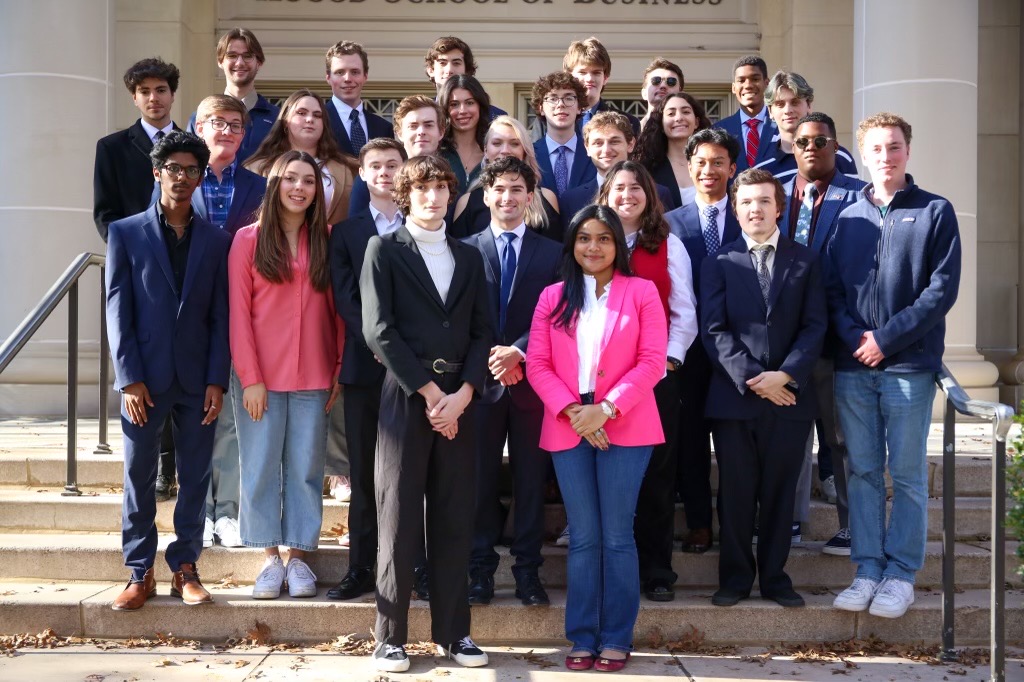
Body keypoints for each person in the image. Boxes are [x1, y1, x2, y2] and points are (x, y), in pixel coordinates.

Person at [360, 155, 491, 673]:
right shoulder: (382, 250)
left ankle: (455, 634)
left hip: (459, 399)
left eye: (442, 188)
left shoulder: (470, 255)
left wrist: (463, 394)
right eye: (424, 189)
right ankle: (389, 636)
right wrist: (431, 392)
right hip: (407, 397)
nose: (433, 198)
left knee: (455, 515)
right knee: (396, 517)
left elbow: (484, 331)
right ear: (406, 195)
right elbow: (378, 330)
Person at [829, 113, 961, 619]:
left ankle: (901, 574)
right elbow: (832, 289)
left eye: (895, 146)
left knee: (904, 474)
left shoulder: (934, 211)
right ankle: (866, 569)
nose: (886, 155)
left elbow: (940, 291)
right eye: (877, 148)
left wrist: (885, 340)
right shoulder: (848, 216)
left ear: (908, 150)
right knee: (862, 471)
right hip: (853, 366)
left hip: (908, 367)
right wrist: (857, 339)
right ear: (864, 154)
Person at [527, 205, 667, 672]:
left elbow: (652, 360)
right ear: (572, 244)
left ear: (617, 245)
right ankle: (582, 637)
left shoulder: (642, 292)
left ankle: (616, 637)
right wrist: (574, 412)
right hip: (568, 421)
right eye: (584, 238)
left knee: (617, 534)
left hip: (625, 419)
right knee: (584, 536)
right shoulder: (552, 297)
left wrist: (605, 410)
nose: (593, 246)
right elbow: (539, 364)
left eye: (604, 238)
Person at [106, 130, 230, 611]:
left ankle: (185, 568)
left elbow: (221, 316)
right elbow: (118, 310)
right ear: (157, 173)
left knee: (195, 477)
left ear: (201, 178)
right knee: (139, 476)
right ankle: (140, 572)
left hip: (198, 380)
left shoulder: (216, 241)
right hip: (144, 380)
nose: (182, 177)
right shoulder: (125, 232)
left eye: (191, 170)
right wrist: (128, 377)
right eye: (173, 169)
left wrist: (217, 379)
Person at [701, 167, 827, 609]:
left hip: (790, 398)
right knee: (736, 492)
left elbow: (815, 327)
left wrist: (786, 375)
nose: (756, 209)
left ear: (780, 208)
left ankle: (775, 577)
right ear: (735, 211)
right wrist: (756, 379)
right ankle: (735, 578)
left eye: (764, 201)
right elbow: (714, 330)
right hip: (736, 399)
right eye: (747, 202)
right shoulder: (718, 262)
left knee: (779, 491)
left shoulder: (806, 261)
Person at [229, 150, 344, 600]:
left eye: (309, 181)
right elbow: (239, 315)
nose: (300, 188)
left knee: (305, 470)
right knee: (259, 468)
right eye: (291, 179)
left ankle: (298, 558)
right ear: (275, 184)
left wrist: (337, 369)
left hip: (315, 375)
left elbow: (338, 312)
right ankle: (268, 557)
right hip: (261, 378)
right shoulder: (247, 240)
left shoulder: (328, 240)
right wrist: (250, 376)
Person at [596, 161, 697, 602]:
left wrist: (666, 364)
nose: (627, 195)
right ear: (605, 195)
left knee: (656, 475)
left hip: (656, 380)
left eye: (636, 188)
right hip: (597, 383)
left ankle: (657, 570)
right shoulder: (591, 244)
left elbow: (685, 312)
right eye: (619, 188)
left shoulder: (668, 245)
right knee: (604, 476)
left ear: (649, 197)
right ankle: (605, 566)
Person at [463, 157, 561, 607]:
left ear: (530, 195)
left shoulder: (552, 252)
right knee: (479, 481)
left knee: (530, 481)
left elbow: (560, 314)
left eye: (517, 189)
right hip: (479, 384)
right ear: (486, 195)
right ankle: (479, 570)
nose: (508, 197)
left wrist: (519, 350)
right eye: (499, 189)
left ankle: (527, 572)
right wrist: (493, 356)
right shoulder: (463, 248)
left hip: (533, 382)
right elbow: (460, 318)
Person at [780, 112, 866, 557]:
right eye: (803, 141)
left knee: (840, 437)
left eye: (821, 141)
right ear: (792, 146)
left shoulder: (859, 196)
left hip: (836, 339)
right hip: (784, 341)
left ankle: (854, 527)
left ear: (836, 146)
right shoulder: (773, 191)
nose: (811, 148)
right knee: (792, 434)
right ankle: (790, 520)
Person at [327, 137, 407, 602]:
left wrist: (403, 353)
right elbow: (345, 299)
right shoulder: (346, 233)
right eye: (375, 166)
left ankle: (410, 565)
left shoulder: (423, 226)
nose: (383, 172)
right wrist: (379, 345)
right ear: (362, 174)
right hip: (364, 366)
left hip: (415, 371)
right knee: (363, 471)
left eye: (392, 164)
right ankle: (360, 567)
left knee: (409, 473)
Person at [190, 94, 268, 549]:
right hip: (192, 315)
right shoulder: (179, 180)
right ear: (199, 127)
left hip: (242, 314)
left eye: (235, 125)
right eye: (216, 122)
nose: (225, 131)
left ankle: (230, 513)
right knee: (196, 417)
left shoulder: (258, 188)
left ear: (244, 134)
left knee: (232, 420)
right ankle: (199, 509)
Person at [664, 127, 740, 554]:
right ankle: (697, 522)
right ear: (689, 168)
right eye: (701, 163)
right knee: (690, 440)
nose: (709, 170)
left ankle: (736, 522)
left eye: (717, 162)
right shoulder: (671, 222)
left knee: (734, 445)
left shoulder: (748, 213)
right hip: (689, 351)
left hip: (737, 348)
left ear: (732, 168)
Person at [94, 57, 180, 242]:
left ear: (172, 94)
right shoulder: (111, 147)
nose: (153, 98)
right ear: (134, 97)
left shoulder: (194, 145)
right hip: (133, 255)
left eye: (161, 90)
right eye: (144, 91)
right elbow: (105, 213)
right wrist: (127, 249)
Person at [245, 89, 357, 226]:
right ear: (285, 121)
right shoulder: (255, 168)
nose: (310, 119)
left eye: (317, 115)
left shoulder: (350, 168)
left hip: (331, 245)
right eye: (301, 113)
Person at [560, 112, 677, 235]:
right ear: (587, 148)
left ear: (631, 144)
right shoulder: (571, 200)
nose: (606, 150)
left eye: (614, 142)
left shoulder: (659, 194)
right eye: (598, 143)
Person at [347, 95, 460, 220]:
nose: (421, 131)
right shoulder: (375, 177)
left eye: (428, 125)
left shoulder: (450, 177)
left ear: (441, 132)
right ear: (399, 133)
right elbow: (356, 228)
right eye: (413, 126)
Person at [450, 115, 561, 242]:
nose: (505, 150)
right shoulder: (467, 202)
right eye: (497, 143)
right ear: (485, 150)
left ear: (524, 150)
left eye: (514, 144)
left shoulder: (546, 198)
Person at [186, 28, 279, 163]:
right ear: (220, 61)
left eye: (247, 56)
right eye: (232, 55)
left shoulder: (279, 119)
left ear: (259, 63)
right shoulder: (200, 117)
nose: (240, 62)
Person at [754, 71, 858, 181]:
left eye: (795, 102)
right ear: (770, 111)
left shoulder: (839, 156)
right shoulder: (762, 170)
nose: (788, 110)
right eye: (780, 104)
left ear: (808, 105)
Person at [633, 92, 712, 208]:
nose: (679, 118)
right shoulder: (648, 169)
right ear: (661, 124)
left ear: (696, 122)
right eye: (671, 113)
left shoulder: (713, 164)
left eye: (685, 112)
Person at [531, 72, 595, 200]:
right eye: (553, 99)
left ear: (579, 107)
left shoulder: (594, 153)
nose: (561, 104)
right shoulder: (529, 155)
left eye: (569, 98)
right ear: (541, 108)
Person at [324, 40, 394, 157]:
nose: (347, 78)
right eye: (340, 72)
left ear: (365, 76)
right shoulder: (319, 120)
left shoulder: (383, 127)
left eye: (355, 72)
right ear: (328, 77)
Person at [563, 36, 641, 136]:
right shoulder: (549, 121)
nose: (589, 79)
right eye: (582, 72)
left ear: (605, 78)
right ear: (569, 76)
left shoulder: (629, 123)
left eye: (596, 73)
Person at [714, 55, 777, 172]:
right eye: (741, 80)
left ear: (767, 83)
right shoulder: (719, 130)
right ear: (733, 88)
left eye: (755, 79)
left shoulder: (781, 126)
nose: (748, 85)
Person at [424, 36, 507, 120]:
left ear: (467, 70)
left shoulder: (495, 116)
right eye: (442, 63)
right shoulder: (421, 113)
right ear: (431, 70)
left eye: (456, 63)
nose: (449, 70)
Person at [438, 74, 491, 194]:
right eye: (454, 104)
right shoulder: (437, 153)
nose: (462, 111)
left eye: (470, 103)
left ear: (480, 106)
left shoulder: (493, 152)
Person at [638, 58, 684, 132]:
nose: (663, 85)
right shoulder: (631, 133)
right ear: (644, 93)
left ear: (681, 94)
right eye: (656, 80)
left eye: (671, 81)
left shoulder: (690, 134)